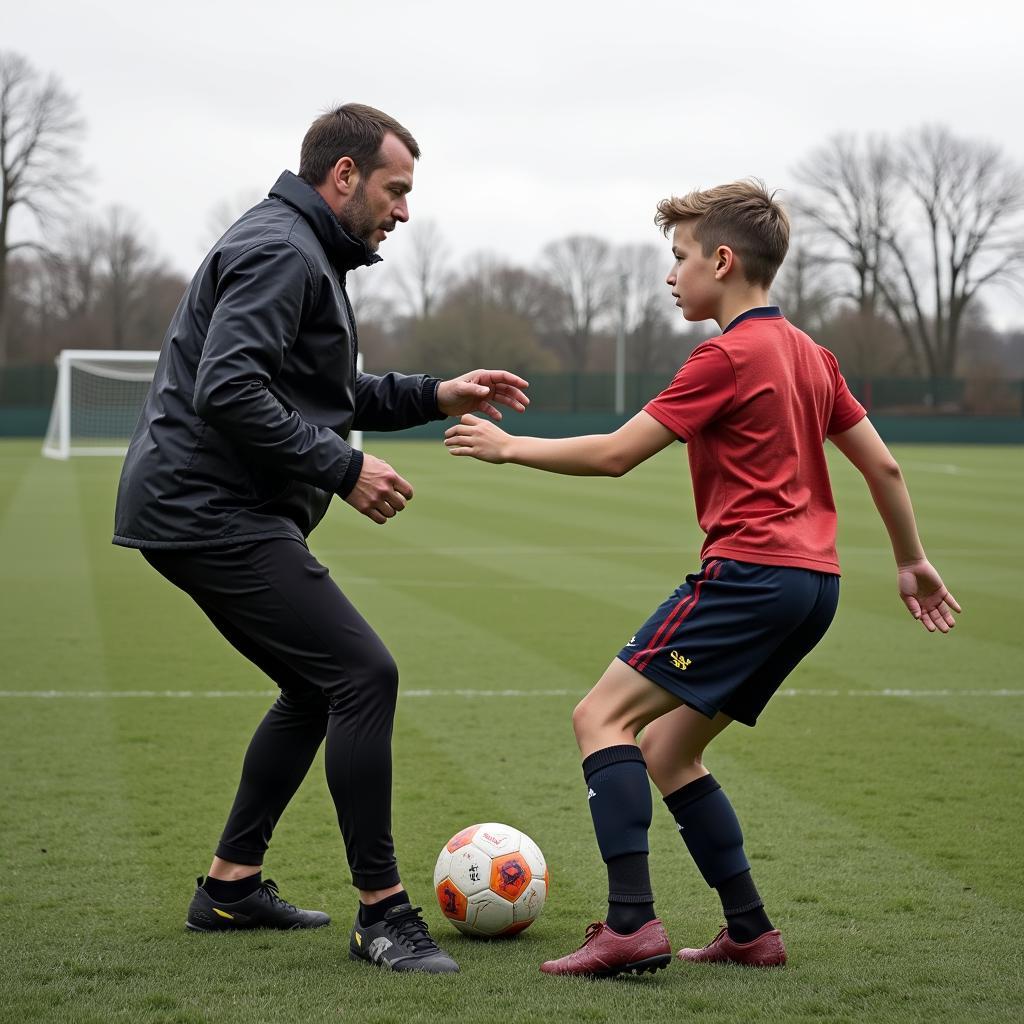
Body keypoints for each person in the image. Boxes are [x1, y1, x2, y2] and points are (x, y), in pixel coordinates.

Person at [443, 179, 960, 978]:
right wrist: (911, 560)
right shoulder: (813, 356)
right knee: (671, 751)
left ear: (723, 261)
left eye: (679, 257)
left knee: (600, 718)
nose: (670, 274)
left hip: (750, 577)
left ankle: (629, 927)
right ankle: (751, 931)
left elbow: (618, 454)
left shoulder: (724, 356)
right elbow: (883, 466)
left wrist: (511, 448)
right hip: (814, 588)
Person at [113, 103, 529, 975]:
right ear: (343, 176)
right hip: (207, 506)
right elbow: (228, 389)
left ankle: (230, 886)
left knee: (314, 687)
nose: (404, 212)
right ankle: (382, 914)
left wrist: (433, 395)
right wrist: (345, 470)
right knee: (361, 673)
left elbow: (324, 393)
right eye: (395, 189)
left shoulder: (306, 252)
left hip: (213, 505)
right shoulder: (280, 249)